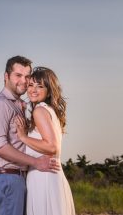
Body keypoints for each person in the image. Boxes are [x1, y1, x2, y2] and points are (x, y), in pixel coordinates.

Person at [0, 56, 60, 215]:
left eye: (27, 76)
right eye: (18, 75)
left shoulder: (19, 106)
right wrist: (35, 162)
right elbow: (0, 147)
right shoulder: (0, 104)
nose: (23, 81)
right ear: (6, 76)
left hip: (16, 180)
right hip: (5, 179)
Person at [15, 66, 76, 215]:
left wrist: (23, 137)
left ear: (49, 90)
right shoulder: (49, 110)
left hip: (43, 178)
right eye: (31, 85)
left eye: (40, 86)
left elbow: (52, 146)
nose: (33, 90)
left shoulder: (39, 111)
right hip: (50, 176)